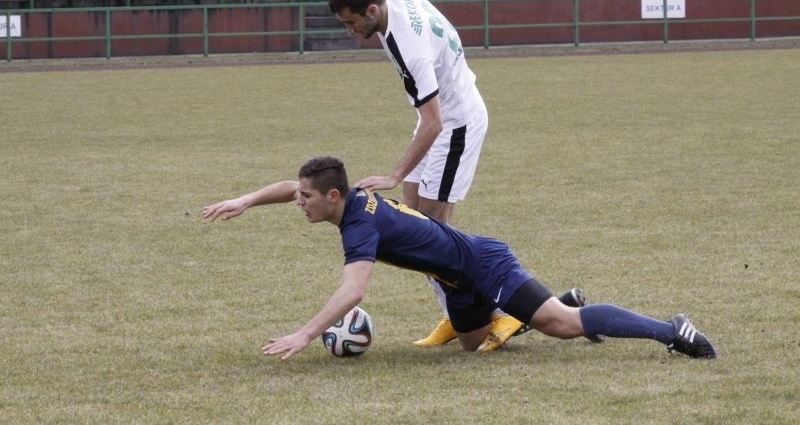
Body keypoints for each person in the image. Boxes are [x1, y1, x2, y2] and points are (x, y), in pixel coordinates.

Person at [203, 156, 718, 361]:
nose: (300, 202)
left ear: (333, 197)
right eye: (301, 197)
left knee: (562, 325)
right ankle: (543, 307)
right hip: (455, 280)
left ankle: (671, 329)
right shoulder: (350, 193)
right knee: (474, 344)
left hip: (483, 264)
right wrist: (246, 200)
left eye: (307, 199)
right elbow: (290, 184)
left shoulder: (359, 225)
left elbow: (354, 290)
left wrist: (304, 334)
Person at [282, 0, 533, 351]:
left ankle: (498, 311)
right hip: (436, 120)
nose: (350, 31)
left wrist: (394, 174)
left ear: (372, 11)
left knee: (434, 228)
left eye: (351, 24)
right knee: (417, 225)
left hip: (457, 124)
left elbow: (435, 123)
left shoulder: (407, 46)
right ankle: (461, 313)